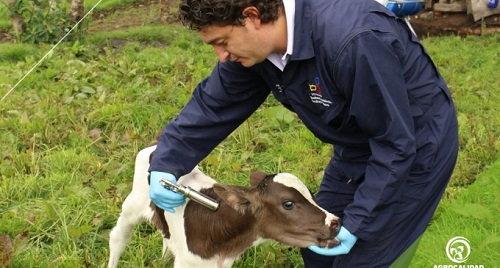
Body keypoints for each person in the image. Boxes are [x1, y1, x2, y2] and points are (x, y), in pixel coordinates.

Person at [148, 0, 459, 267]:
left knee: (365, 257)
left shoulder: (352, 41)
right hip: (357, 143)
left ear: (252, 16)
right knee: (317, 248)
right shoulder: (258, 51)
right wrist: (166, 160)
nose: (222, 55)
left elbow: (395, 144)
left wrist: (361, 222)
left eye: (222, 41)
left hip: (416, 145)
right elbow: (213, 106)